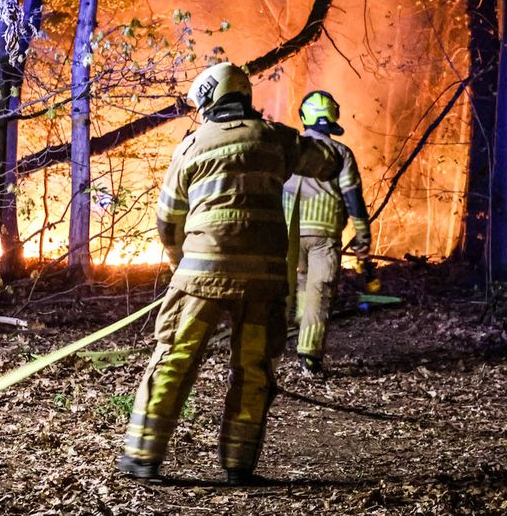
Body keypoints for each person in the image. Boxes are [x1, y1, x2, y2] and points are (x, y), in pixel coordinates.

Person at [117, 62, 341, 485]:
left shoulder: (191, 147)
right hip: (265, 281)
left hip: (201, 276)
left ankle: (141, 457)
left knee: (174, 359)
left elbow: (168, 220)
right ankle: (239, 464)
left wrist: (178, 260)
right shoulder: (276, 139)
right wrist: (307, 135)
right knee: (254, 367)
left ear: (207, 100)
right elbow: (327, 162)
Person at [284, 90, 372, 375]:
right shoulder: (341, 153)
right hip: (324, 237)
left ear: (304, 117)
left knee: (297, 286)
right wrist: (362, 235)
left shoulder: (289, 148)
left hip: (288, 236)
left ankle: (292, 331)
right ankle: (308, 355)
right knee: (319, 292)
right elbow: (353, 197)